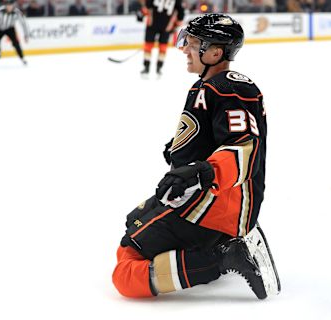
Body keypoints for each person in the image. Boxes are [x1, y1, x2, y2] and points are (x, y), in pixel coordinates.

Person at [112, 14, 281, 300]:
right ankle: (223, 239)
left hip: (213, 205)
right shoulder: (209, 85)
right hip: (208, 198)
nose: (183, 50)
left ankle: (221, 257)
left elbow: (244, 148)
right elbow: (209, 134)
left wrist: (203, 172)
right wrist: (181, 149)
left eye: (191, 44)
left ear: (215, 52)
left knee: (125, 271)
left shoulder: (230, 87)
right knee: (133, 222)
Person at [138, 0, 184, 77]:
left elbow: (147, 6)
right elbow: (181, 11)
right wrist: (177, 23)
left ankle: (147, 67)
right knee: (162, 47)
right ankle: (158, 67)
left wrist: (140, 15)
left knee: (149, 46)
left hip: (152, 24)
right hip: (166, 26)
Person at [0, 0, 29, 65]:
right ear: (5, 5)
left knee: (16, 43)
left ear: (13, 5)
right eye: (7, 5)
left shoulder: (17, 12)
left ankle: (22, 58)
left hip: (10, 29)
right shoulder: (0, 11)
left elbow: (23, 23)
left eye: (10, 5)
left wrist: (26, 35)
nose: (9, 7)